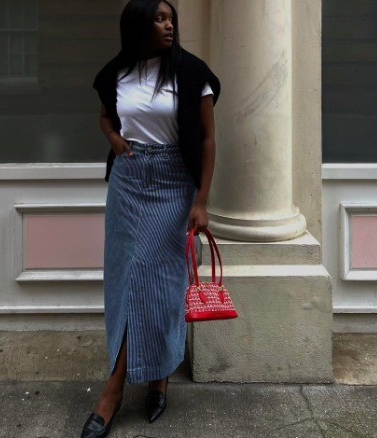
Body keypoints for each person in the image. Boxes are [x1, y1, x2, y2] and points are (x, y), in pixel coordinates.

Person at [80, 0, 220, 437]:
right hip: (128, 182)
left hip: (173, 185)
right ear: (139, 25)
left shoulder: (193, 73)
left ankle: (127, 385)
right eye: (159, 19)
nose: (169, 26)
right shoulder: (115, 74)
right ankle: (135, 380)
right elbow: (105, 116)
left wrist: (202, 199)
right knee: (126, 278)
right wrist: (115, 140)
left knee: (159, 281)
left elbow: (209, 139)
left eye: (171, 18)